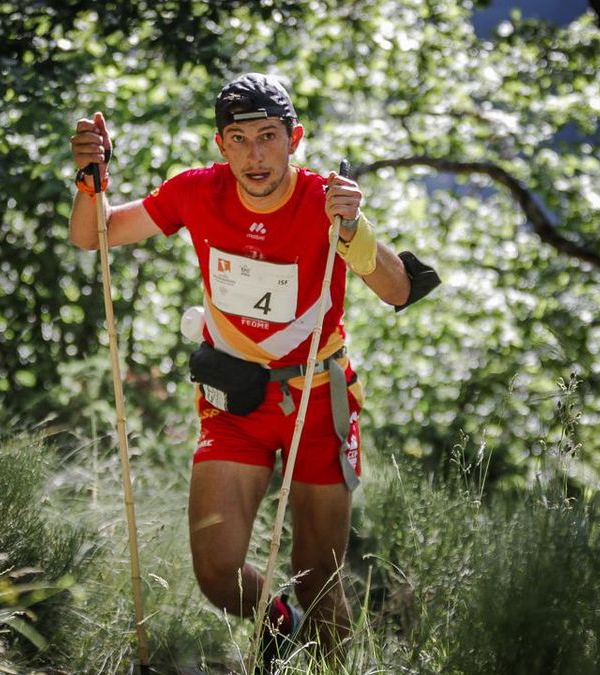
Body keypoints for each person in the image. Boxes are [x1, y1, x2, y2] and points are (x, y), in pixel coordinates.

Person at [68, 73, 436, 672]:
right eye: (239, 139)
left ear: (296, 139)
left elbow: (398, 290)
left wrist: (352, 228)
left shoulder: (325, 199)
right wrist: (90, 181)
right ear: (221, 146)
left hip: (317, 401)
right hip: (233, 402)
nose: (255, 155)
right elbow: (96, 235)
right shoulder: (195, 191)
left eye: (269, 137)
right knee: (215, 571)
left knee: (318, 580)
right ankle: (277, 624)